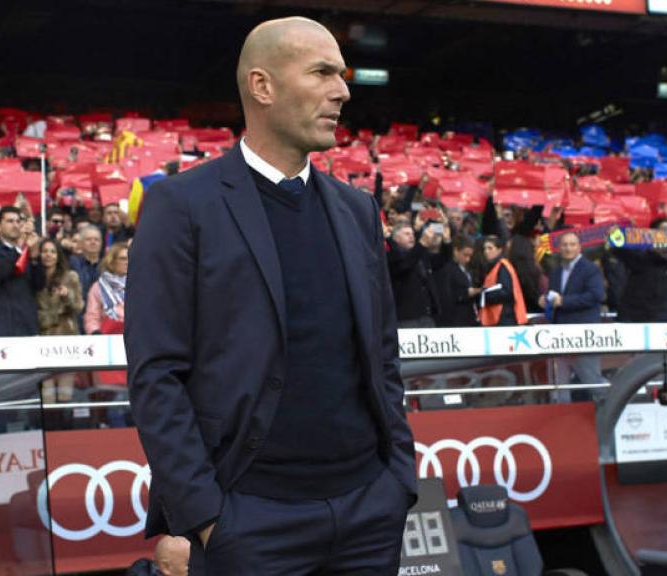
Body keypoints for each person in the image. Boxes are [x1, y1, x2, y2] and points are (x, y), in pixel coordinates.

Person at [125, 17, 416, 575]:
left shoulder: (357, 210)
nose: (343, 90)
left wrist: (397, 479)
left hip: (368, 512)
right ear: (263, 87)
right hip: (249, 522)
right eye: (322, 73)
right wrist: (205, 517)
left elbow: (383, 355)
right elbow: (156, 374)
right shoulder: (181, 206)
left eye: (343, 74)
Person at [539, 232, 606, 399]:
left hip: (583, 334)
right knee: (559, 384)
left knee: (591, 378)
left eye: (572, 244)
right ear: (559, 248)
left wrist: (564, 301)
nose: (568, 248)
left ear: (579, 247)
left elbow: (596, 296)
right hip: (559, 335)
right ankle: (562, 418)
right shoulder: (555, 272)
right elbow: (555, 296)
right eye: (564, 245)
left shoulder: (590, 269)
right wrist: (545, 299)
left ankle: (611, 406)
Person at [0, 206, 44, 336]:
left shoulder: (29, 250)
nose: (15, 225)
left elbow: (39, 284)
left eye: (18, 221)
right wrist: (19, 250)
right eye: (10, 221)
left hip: (27, 324)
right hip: (0, 326)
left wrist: (35, 258)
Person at [37, 238, 83, 405]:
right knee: (47, 394)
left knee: (65, 394)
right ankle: (50, 429)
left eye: (52, 251)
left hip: (66, 338)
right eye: (44, 251)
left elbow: (78, 306)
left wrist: (66, 297)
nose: (48, 255)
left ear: (58, 255)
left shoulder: (70, 277)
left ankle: (65, 429)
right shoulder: (34, 278)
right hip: (43, 340)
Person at [387, 222, 447, 328]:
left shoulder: (421, 255)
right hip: (406, 318)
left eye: (412, 234)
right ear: (396, 239)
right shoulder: (392, 256)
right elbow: (405, 264)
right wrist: (422, 243)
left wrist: (447, 241)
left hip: (426, 316)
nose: (411, 236)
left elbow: (441, 260)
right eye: (406, 234)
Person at [480, 234, 526, 326]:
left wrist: (484, 295)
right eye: (485, 248)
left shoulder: (503, 266)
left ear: (499, 250)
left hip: (504, 318)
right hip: (499, 317)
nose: (486, 251)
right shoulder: (495, 266)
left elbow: (506, 291)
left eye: (490, 248)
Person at [83, 242, 128, 335]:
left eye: (130, 258)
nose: (127, 261)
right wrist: (95, 333)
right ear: (112, 261)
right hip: (108, 339)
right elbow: (92, 317)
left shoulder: (140, 284)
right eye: (123, 259)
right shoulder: (98, 287)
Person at [436, 234, 479, 327]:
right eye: (465, 255)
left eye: (470, 256)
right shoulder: (447, 270)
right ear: (456, 251)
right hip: (455, 321)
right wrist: (465, 294)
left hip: (469, 318)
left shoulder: (469, 269)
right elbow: (445, 296)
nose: (468, 259)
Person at [68, 226, 104, 305]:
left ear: (101, 243)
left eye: (96, 240)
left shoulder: (107, 265)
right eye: (88, 239)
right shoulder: (72, 263)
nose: (93, 242)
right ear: (80, 243)